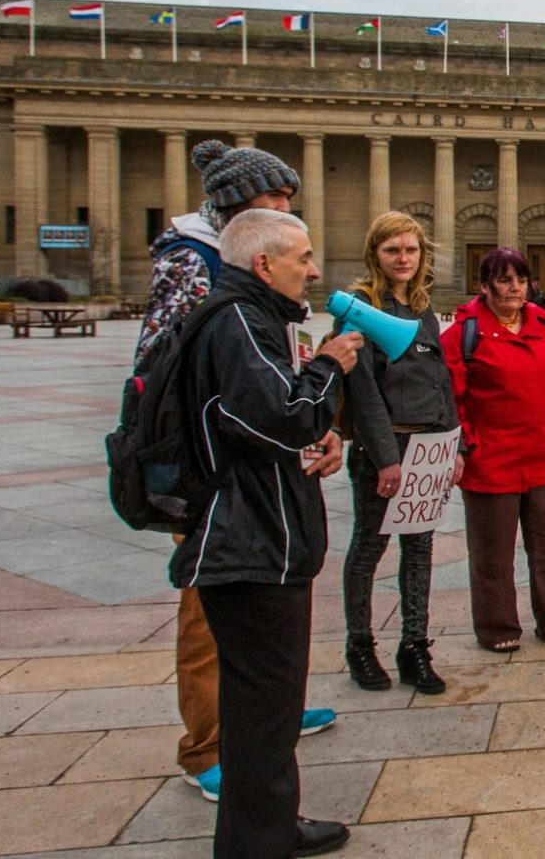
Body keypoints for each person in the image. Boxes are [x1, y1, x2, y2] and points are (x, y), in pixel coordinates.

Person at [133, 139, 330, 798]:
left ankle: (262, 709)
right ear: (236, 205)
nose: (286, 208)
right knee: (207, 608)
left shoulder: (247, 269)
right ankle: (207, 745)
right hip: (208, 474)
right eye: (275, 198)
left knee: (257, 609)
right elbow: (167, 372)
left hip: (258, 459)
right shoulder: (195, 265)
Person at [170, 208, 362, 859]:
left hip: (260, 541)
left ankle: (269, 827)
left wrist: (321, 433)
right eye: (302, 258)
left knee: (269, 708)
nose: (312, 270)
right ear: (263, 265)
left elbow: (259, 423)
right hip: (248, 547)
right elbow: (282, 415)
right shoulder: (233, 321)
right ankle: (257, 844)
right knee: (260, 707)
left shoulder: (248, 320)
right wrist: (331, 366)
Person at [446, 249, 545, 650]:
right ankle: (498, 628)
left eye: (521, 280)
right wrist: (470, 444)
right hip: (490, 461)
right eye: (505, 280)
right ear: (484, 285)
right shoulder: (464, 334)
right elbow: (451, 400)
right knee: (492, 555)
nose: (515, 288)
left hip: (541, 456)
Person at [337, 210, 454, 696]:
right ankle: (360, 645)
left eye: (410, 250)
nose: (403, 259)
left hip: (427, 445)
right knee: (368, 548)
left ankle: (414, 648)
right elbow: (362, 391)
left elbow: (440, 379)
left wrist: (454, 443)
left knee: (419, 549)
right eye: (393, 250)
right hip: (383, 449)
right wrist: (386, 457)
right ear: (375, 255)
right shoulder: (361, 307)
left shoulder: (424, 307)